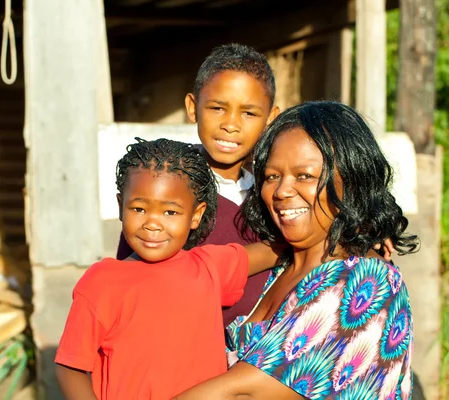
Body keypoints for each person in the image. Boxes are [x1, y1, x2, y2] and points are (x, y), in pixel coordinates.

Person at [174, 101, 419, 400]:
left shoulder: (366, 281)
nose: (281, 191)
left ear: (351, 181)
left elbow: (242, 393)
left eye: (304, 176)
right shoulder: (281, 266)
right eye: (272, 176)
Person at [55, 138, 285, 400]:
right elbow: (70, 366)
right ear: (121, 206)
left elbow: (272, 251)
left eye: (170, 213)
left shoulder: (209, 267)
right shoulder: (101, 282)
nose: (152, 224)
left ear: (196, 216)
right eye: (139, 208)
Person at [117, 44, 281, 327]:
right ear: (193, 108)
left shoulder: (274, 191)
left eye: (249, 113)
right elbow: (134, 286)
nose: (231, 125)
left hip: (260, 354)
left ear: (270, 118)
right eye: (218, 108)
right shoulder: (167, 187)